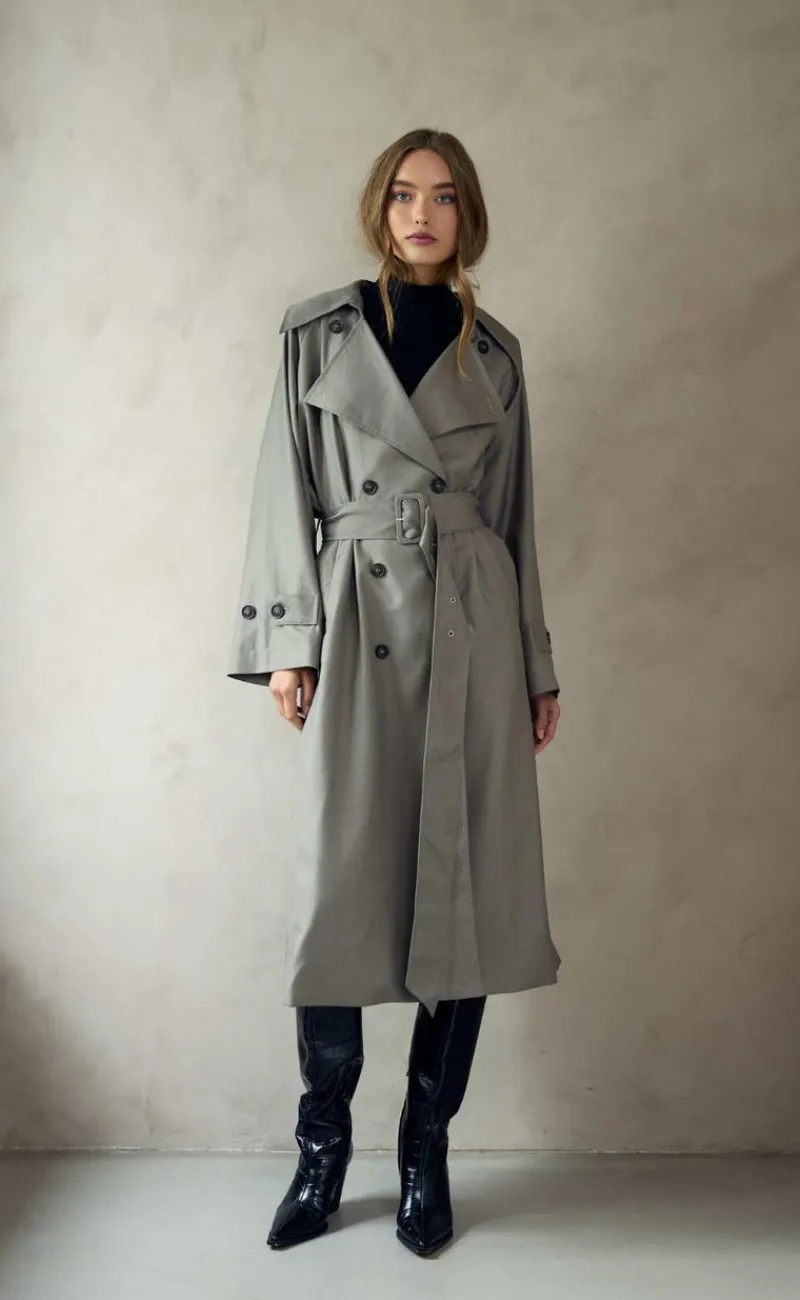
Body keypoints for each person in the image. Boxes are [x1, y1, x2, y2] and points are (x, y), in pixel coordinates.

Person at [227, 127, 562, 1257]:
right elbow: (283, 484)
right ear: (380, 206)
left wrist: (534, 664)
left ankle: (425, 1150)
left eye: (446, 197)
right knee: (339, 889)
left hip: (472, 623)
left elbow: (514, 518)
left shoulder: (495, 353)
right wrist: (290, 640)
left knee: (462, 890)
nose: (423, 214)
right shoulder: (316, 333)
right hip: (356, 609)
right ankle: (322, 1149)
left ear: (468, 216)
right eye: (406, 194)